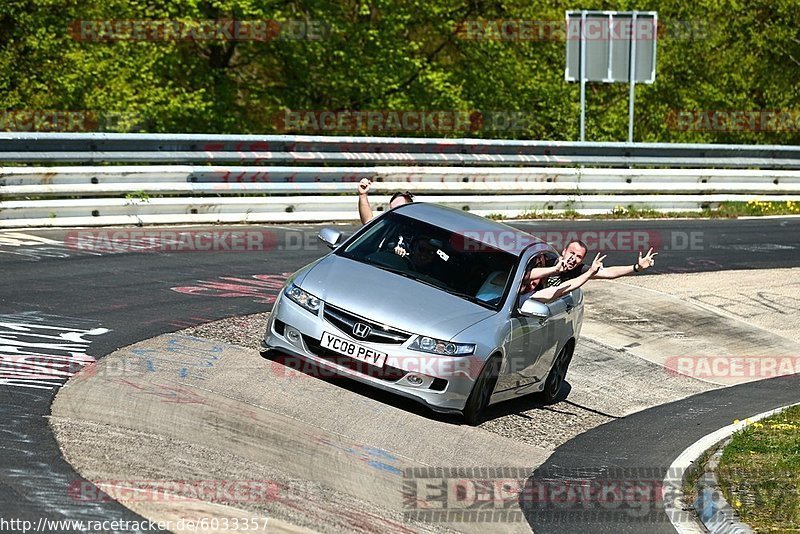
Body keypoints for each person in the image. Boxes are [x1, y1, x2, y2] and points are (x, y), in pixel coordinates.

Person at [540, 239, 658, 289]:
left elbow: (609, 273)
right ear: (564, 251)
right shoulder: (546, 261)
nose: (573, 258)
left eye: (579, 257)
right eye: (572, 253)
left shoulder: (578, 270)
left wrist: (636, 267)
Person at [518, 252, 606, 305]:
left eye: (579, 256)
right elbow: (526, 276)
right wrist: (554, 269)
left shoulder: (529, 297)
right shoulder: (514, 289)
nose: (532, 282)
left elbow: (561, 289)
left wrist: (590, 272)